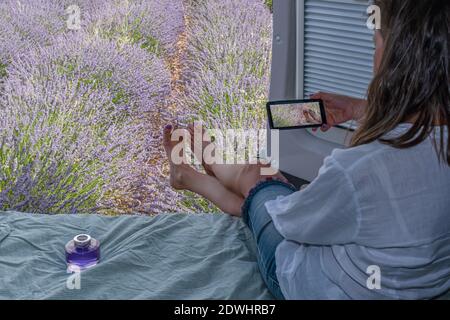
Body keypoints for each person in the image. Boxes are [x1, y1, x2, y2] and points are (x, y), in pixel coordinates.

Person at [163, 0, 449, 299]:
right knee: (263, 188)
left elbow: (288, 223)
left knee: (260, 176)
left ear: (394, 61)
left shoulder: (358, 169)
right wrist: (356, 108)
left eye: (376, 41)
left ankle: (198, 172)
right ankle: (210, 173)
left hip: (309, 284)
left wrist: (270, 188)